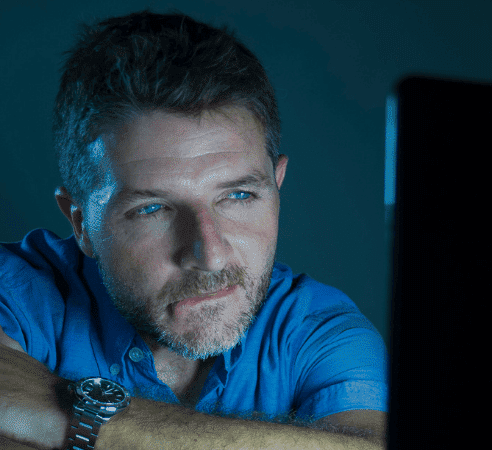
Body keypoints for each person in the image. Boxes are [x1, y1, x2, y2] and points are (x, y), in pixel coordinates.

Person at [0, 9, 388, 450]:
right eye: (152, 209)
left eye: (239, 196)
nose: (211, 254)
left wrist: (78, 421)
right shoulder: (15, 292)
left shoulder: (320, 330)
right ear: (80, 222)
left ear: (277, 187)